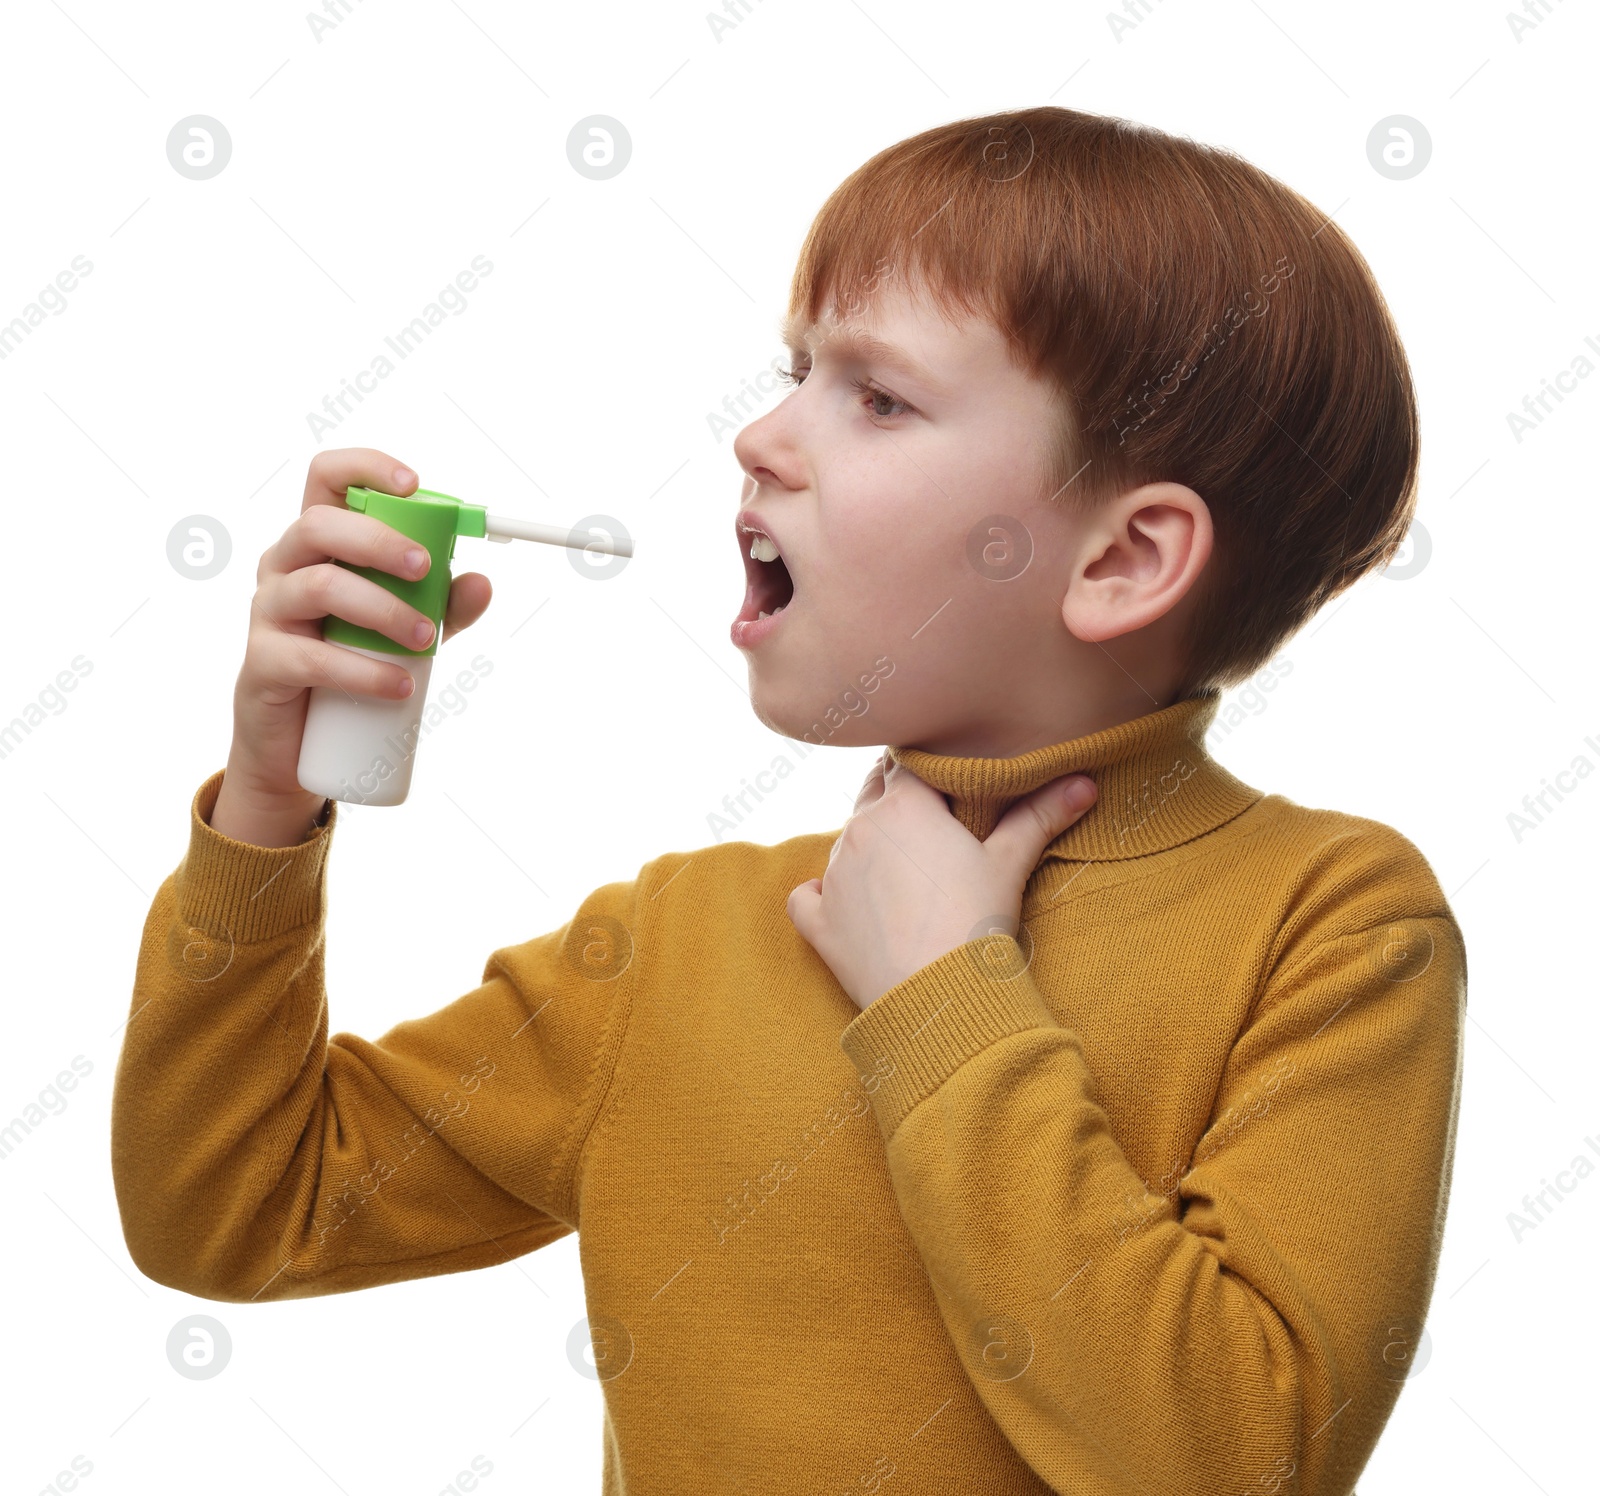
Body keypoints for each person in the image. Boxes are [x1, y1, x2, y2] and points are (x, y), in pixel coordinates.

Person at [112, 105, 1464, 1494]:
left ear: (1123, 561)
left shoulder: (1337, 925)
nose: (761, 436)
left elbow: (1236, 1460)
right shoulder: (678, 943)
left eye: (878, 397)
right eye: (796, 372)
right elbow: (230, 1212)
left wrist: (944, 993)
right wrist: (266, 814)